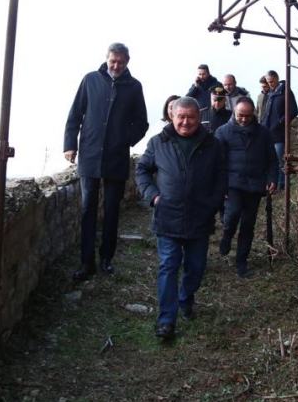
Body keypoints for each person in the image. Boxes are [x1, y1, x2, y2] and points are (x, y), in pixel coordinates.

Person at [135, 96, 225, 340]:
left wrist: (213, 204)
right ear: (172, 116)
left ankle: (186, 298)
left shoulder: (212, 145)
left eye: (191, 117)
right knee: (168, 266)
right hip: (168, 218)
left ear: (199, 118)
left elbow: (221, 177)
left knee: (195, 268)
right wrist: (152, 196)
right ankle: (166, 320)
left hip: (200, 218)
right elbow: (142, 170)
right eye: (180, 117)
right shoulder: (158, 142)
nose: (185, 122)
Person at [64, 42, 149, 281]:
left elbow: (142, 123)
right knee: (87, 209)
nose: (116, 65)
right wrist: (70, 144)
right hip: (89, 155)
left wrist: (125, 140)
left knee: (112, 211)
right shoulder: (90, 80)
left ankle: (106, 260)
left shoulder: (134, 87)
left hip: (116, 157)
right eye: (113, 61)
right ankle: (86, 262)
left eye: (121, 62)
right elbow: (75, 114)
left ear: (127, 62)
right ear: (107, 59)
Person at [215, 97, 277, 278]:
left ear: (253, 114)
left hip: (255, 184)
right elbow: (217, 162)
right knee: (232, 214)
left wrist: (272, 178)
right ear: (234, 112)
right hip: (233, 183)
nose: (244, 119)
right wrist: (221, 185)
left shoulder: (263, 133)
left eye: (248, 116)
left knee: (248, 224)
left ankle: (241, 261)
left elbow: (272, 159)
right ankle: (227, 236)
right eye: (241, 115)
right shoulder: (223, 132)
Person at [260, 70, 298, 189]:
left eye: (271, 81)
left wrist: (280, 122)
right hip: (268, 131)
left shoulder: (285, 92)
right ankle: (273, 183)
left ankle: (283, 184)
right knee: (270, 159)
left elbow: (293, 111)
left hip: (279, 132)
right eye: (268, 82)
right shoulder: (270, 94)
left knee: (280, 159)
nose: (270, 84)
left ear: (276, 79)